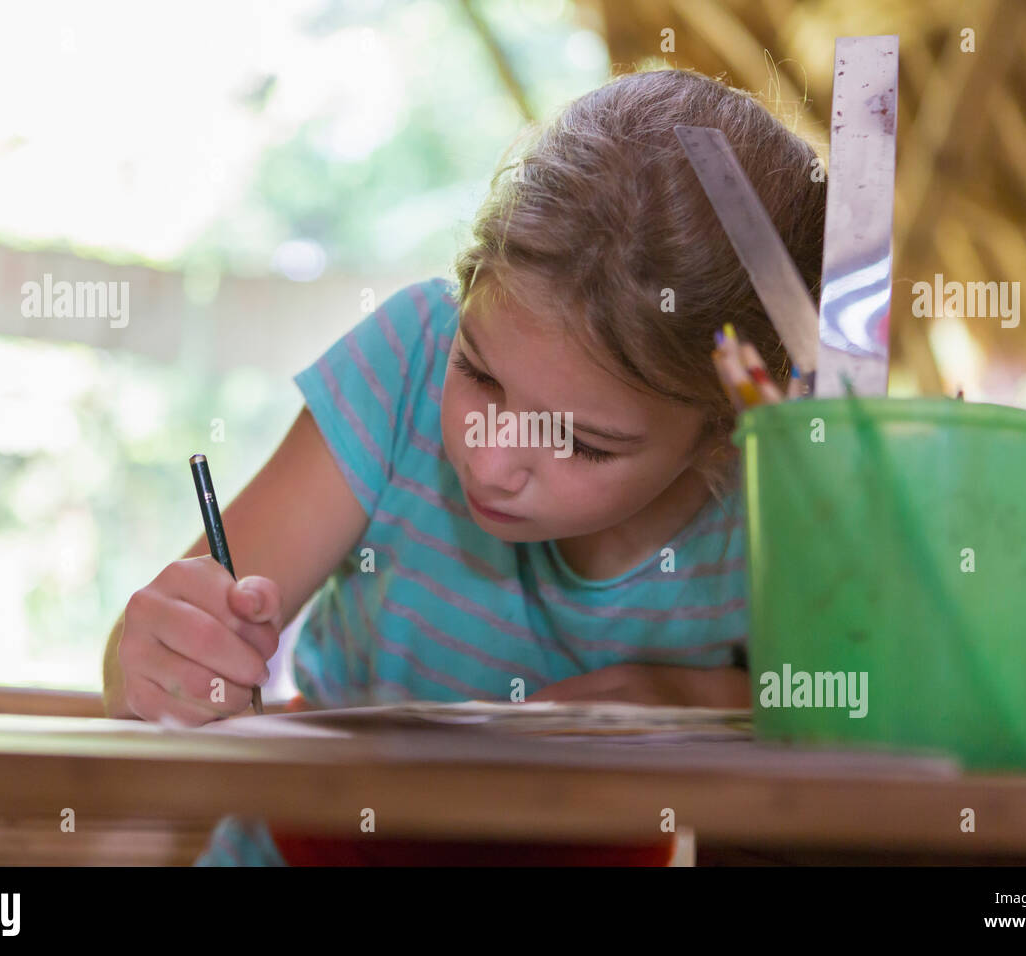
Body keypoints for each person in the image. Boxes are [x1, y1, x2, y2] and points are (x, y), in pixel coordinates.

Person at [102, 66, 826, 865]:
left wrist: (701, 698)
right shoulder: (407, 360)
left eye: (579, 442)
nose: (489, 461)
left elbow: (869, 721)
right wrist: (162, 661)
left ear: (723, 430)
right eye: (478, 373)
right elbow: (145, 678)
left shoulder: (777, 494)